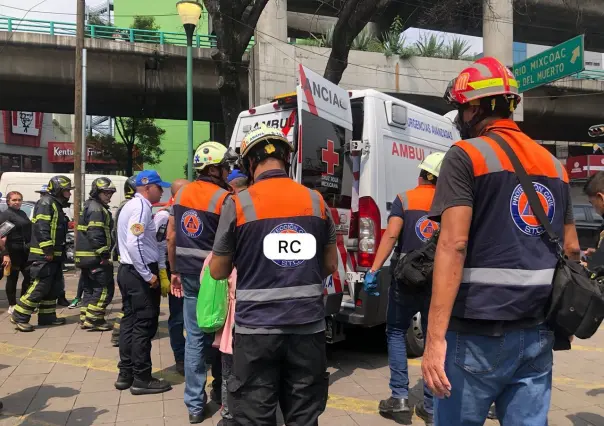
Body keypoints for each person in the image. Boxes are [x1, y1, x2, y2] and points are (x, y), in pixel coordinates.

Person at [420, 57, 581, 425]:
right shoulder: (554, 166)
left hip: (477, 333)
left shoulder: (465, 156)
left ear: (476, 107)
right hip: (538, 333)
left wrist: (433, 340)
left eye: (462, 108)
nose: (461, 117)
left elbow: (454, 245)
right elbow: (571, 248)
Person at [210, 124, 338, 426]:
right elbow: (330, 266)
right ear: (286, 159)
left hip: (256, 331)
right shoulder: (317, 201)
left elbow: (218, 270)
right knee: (304, 415)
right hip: (307, 328)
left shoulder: (238, 203)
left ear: (250, 163)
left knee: (254, 416)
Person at [363, 152, 445, 425]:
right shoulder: (450, 203)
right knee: (435, 338)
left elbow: (390, 235)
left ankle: (399, 398)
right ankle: (432, 407)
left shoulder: (405, 199)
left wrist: (373, 270)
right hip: (438, 282)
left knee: (396, 331)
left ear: (421, 174)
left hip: (405, 280)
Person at [169, 141, 234, 424]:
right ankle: (221, 392)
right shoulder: (225, 198)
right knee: (222, 336)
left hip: (187, 274)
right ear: (213, 168)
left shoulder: (181, 195)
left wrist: (173, 270)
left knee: (195, 338)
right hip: (215, 278)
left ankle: (195, 406)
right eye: (225, 166)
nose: (228, 171)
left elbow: (172, 236)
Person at [114, 170, 172, 395]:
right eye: (159, 187)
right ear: (148, 188)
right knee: (143, 326)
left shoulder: (131, 206)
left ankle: (126, 373)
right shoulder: (141, 208)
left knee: (129, 322)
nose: (161, 191)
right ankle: (142, 377)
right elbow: (134, 243)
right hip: (139, 273)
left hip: (128, 271)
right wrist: (148, 275)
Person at [11, 176, 74, 332]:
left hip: (54, 255)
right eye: (67, 191)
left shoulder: (55, 205)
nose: (69, 194)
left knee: (54, 287)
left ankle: (47, 316)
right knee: (40, 285)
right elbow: (42, 227)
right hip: (44, 254)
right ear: (59, 190)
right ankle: (19, 314)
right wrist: (47, 249)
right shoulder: (46, 203)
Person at [211, 168, 247, 425]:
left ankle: (228, 415)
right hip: (257, 321)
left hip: (231, 326)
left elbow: (214, 274)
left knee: (228, 373)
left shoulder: (232, 205)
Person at [156, 178, 189, 376]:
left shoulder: (184, 211)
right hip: (176, 270)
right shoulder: (166, 215)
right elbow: (165, 243)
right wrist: (168, 273)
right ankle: (181, 357)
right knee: (178, 317)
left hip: (187, 269)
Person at [74, 177, 117, 332]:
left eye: (110, 192)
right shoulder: (97, 209)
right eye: (105, 192)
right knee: (104, 288)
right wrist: (103, 254)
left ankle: (86, 318)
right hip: (94, 257)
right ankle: (95, 320)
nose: (109, 195)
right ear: (96, 192)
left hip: (85, 257)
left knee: (90, 289)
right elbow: (95, 233)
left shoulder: (90, 206)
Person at [108, 176, 136, 345]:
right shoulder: (132, 207)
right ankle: (119, 334)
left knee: (128, 302)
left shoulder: (123, 207)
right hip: (130, 261)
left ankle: (119, 333)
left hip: (124, 259)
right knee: (130, 303)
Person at [0, 191, 32, 315]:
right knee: (13, 278)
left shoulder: (22, 213)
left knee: (29, 276)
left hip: (24, 250)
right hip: (12, 251)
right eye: (14, 200)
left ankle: (23, 301)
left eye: (19, 199)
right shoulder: (6, 215)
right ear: (8, 201)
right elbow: (1, 236)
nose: (17, 202)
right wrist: (6, 254)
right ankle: (12, 305)